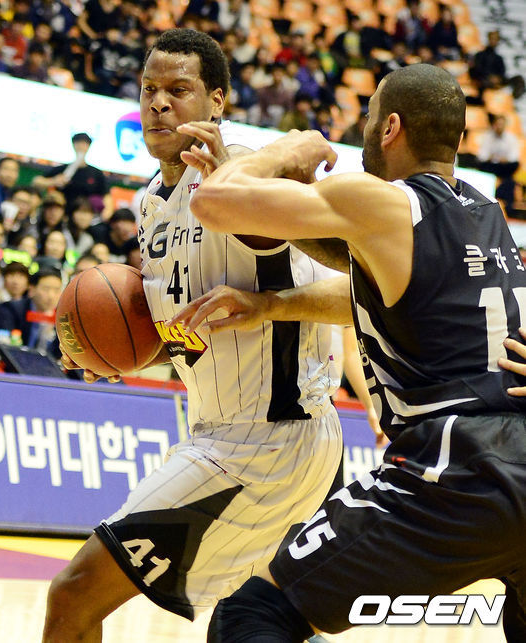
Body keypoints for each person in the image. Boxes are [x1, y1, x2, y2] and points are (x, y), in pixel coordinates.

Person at [176, 64, 526, 642]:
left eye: (368, 117)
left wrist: (280, 151)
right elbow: (372, 285)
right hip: (517, 452)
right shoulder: (486, 213)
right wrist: (273, 305)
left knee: (251, 614)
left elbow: (213, 203)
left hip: (459, 469)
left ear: (390, 128)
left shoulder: (381, 199)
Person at [42, 29, 345, 642]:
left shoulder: (242, 178)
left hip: (265, 442)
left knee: (73, 595)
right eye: (149, 89)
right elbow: (190, 322)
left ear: (217, 101)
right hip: (236, 435)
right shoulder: (151, 202)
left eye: (178, 90)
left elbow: (351, 288)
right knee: (246, 627)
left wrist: (266, 301)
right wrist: (119, 351)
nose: (158, 103)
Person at [33, 132, 108, 215]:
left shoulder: (96, 173)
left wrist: (106, 214)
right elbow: (37, 181)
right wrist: (54, 181)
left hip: (84, 215)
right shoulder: (62, 169)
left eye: (84, 144)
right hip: (61, 212)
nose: (81, 146)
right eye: (78, 143)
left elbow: (106, 196)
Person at [0, 267, 62, 356]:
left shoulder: (63, 318)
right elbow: (4, 344)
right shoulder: (12, 309)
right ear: (31, 290)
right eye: (46, 289)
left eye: (56, 290)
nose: (51, 296)